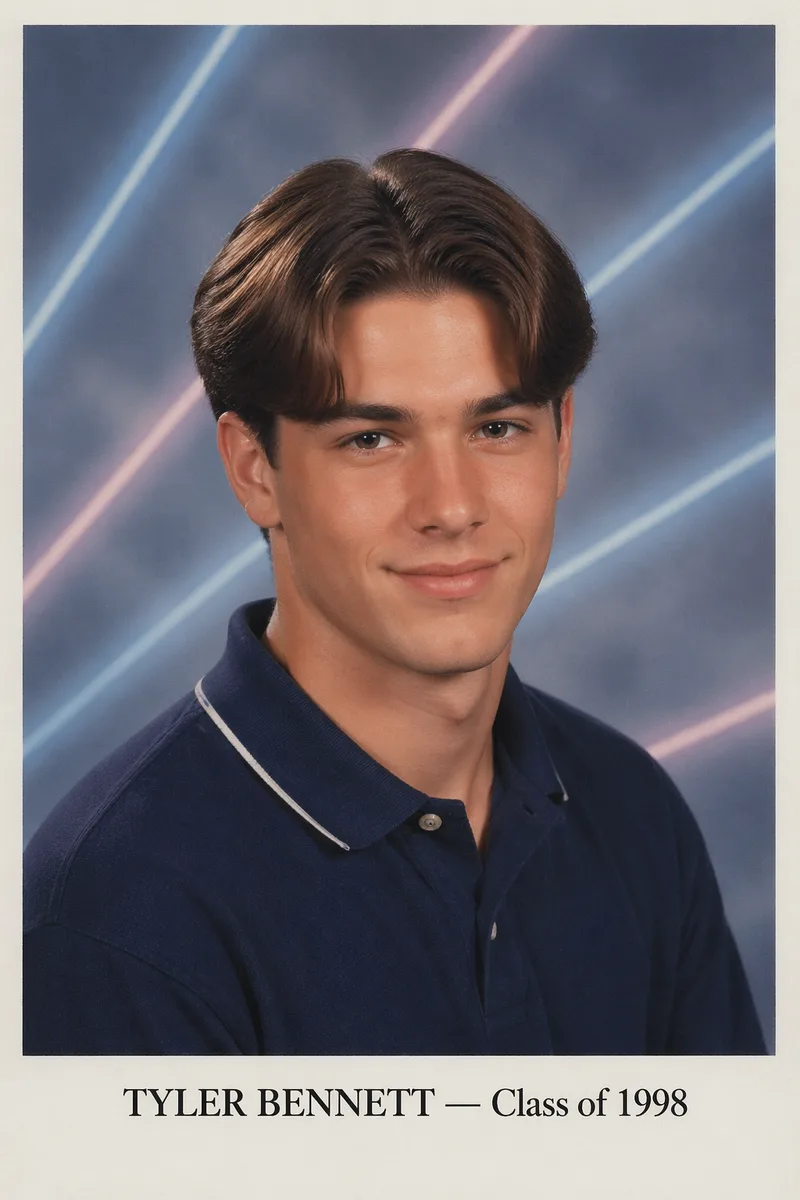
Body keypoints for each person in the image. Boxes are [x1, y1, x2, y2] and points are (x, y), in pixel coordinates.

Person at [23, 149, 765, 1055]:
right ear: (255, 470)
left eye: (497, 428)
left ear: (563, 439)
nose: (451, 507)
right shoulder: (118, 907)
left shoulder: (632, 810)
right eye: (372, 438)